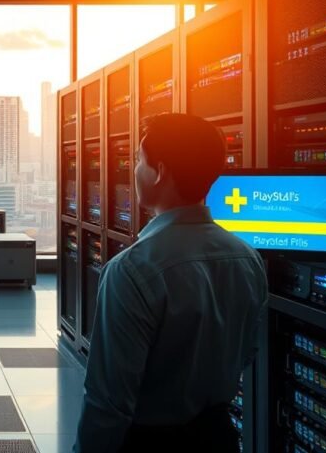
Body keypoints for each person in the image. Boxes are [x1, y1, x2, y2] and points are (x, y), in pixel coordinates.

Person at [75, 113, 268, 453]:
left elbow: (108, 400)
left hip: (150, 443)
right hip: (218, 437)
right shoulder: (247, 258)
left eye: (138, 160)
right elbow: (247, 351)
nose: (135, 171)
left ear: (160, 172)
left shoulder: (130, 270)